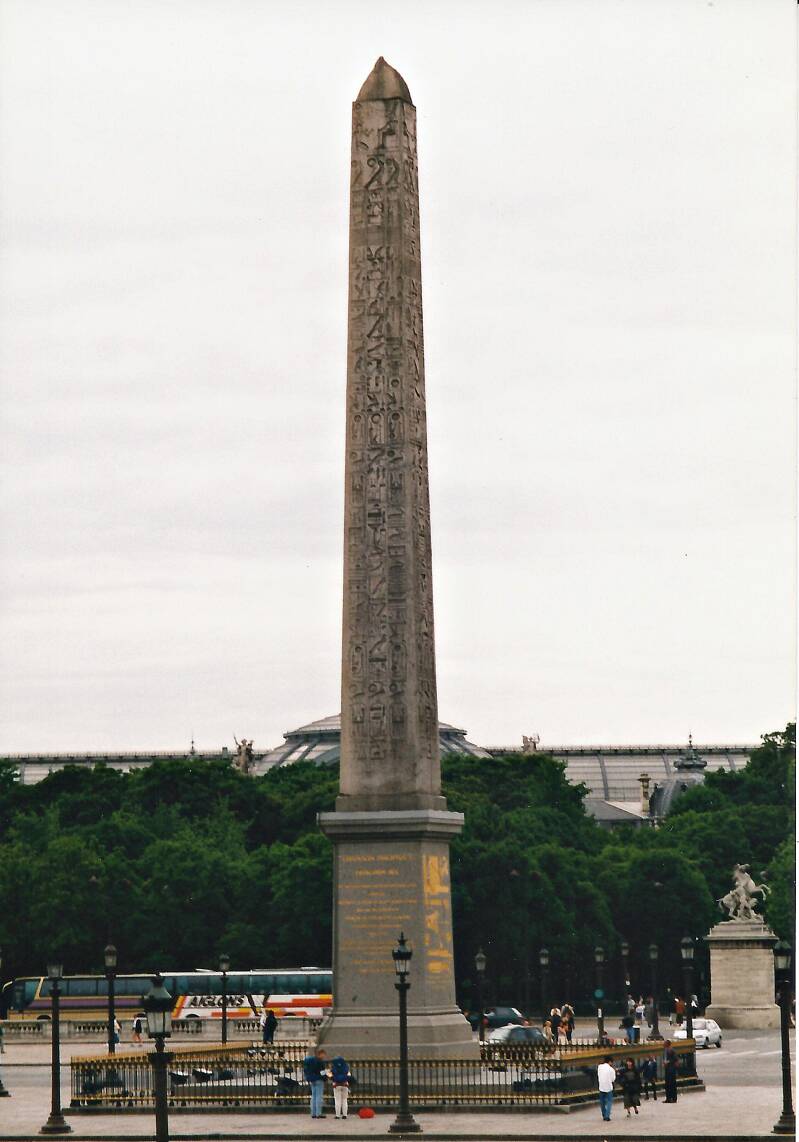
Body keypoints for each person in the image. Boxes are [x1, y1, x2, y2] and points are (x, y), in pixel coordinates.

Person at [303, 1047, 328, 1118]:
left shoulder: (310, 1061)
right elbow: (322, 1072)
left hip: (312, 1079)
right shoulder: (320, 1062)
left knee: (313, 1096)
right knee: (319, 1096)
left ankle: (313, 1113)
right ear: (321, 1054)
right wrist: (325, 1078)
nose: (324, 1056)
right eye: (324, 1054)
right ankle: (318, 1113)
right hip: (319, 1079)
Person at [597, 1055, 616, 1122]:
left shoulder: (599, 1067)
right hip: (608, 1087)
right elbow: (613, 1079)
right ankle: (607, 1116)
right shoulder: (611, 1069)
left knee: (602, 1102)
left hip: (601, 1086)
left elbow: (598, 1075)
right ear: (610, 1062)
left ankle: (604, 1114)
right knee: (609, 1102)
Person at [330, 1055, 351, 1120]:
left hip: (336, 1084)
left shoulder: (334, 1067)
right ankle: (345, 1115)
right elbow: (349, 1075)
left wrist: (334, 1079)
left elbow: (330, 1075)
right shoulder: (346, 1067)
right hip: (345, 1084)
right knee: (344, 1100)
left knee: (337, 1100)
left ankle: (337, 1115)